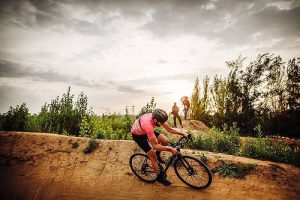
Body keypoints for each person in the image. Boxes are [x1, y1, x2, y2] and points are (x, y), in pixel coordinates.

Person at [131, 109, 188, 186]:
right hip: (138, 136)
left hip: (144, 130)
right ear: (155, 119)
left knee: (165, 141)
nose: (162, 124)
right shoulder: (148, 124)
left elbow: (169, 129)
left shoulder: (158, 118)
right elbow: (155, 146)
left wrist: (182, 134)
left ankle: (158, 155)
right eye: (161, 122)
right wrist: (170, 149)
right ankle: (159, 177)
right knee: (153, 156)